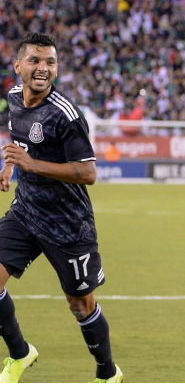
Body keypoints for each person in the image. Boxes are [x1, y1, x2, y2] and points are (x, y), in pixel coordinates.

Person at [0, 33, 122, 383]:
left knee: (80, 304)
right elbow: (18, 139)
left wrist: (32, 165)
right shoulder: (13, 97)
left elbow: (88, 173)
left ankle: (107, 373)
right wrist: (10, 166)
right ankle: (20, 353)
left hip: (68, 224)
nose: (43, 68)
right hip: (26, 212)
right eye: (36, 61)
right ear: (18, 65)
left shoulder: (65, 114)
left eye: (50, 62)